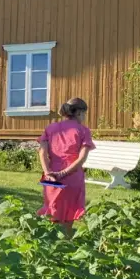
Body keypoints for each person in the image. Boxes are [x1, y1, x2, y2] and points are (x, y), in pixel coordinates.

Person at [38, 98, 96, 234]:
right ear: (79, 113)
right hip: (72, 175)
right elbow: (81, 159)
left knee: (53, 210)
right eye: (85, 114)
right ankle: (66, 243)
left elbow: (42, 153)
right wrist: (63, 173)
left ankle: (50, 243)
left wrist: (47, 172)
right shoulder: (83, 131)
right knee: (69, 215)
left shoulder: (50, 128)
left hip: (51, 175)